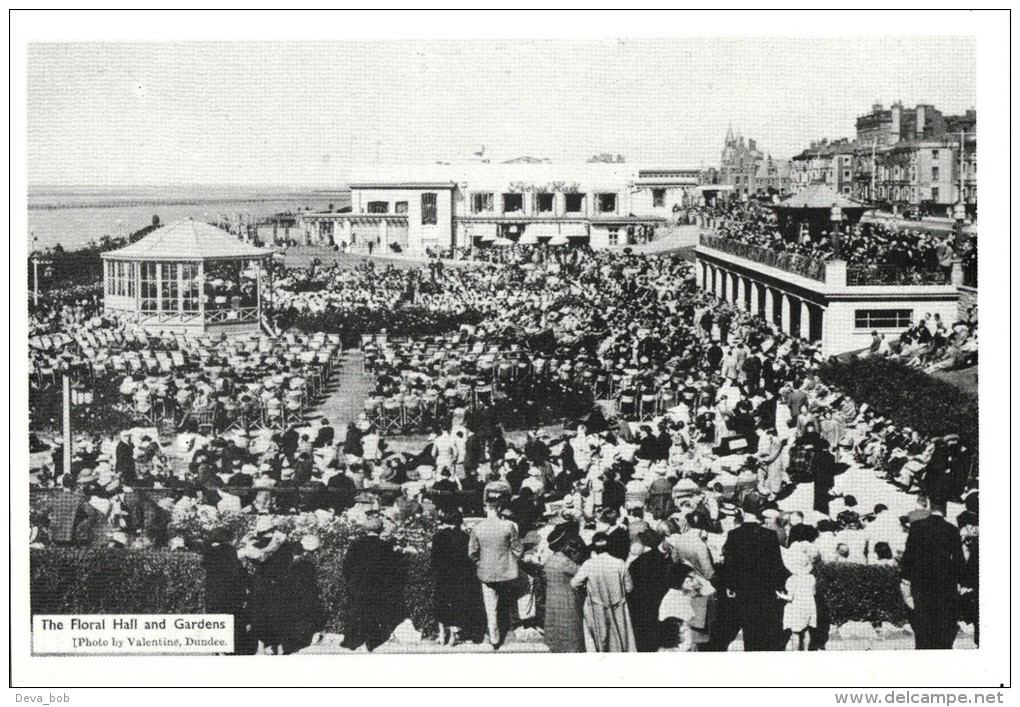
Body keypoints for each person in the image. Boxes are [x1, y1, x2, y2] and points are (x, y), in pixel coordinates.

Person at [715, 499, 790, 651]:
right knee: (763, 630)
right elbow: (776, 564)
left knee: (748, 628)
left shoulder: (734, 534)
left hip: (743, 590)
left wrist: (730, 585)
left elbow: (729, 564)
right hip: (765, 590)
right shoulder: (769, 535)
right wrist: (780, 586)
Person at [900, 502, 965, 650]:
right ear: (945, 510)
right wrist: (960, 582)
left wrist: (905, 578)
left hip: (921, 584)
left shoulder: (916, 527)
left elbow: (908, 556)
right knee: (943, 632)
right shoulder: (952, 530)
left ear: (930, 507)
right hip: (945, 585)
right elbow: (959, 560)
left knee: (923, 631)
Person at [468, 492, 524, 649]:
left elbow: (472, 552)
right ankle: (510, 630)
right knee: (506, 603)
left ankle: (494, 637)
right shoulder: (508, 526)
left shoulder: (478, 528)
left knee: (490, 607)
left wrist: (480, 563)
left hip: (486, 572)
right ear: (499, 508)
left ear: (486, 508)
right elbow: (518, 549)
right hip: (507, 571)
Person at [570, 532, 637, 652]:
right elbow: (629, 588)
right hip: (619, 607)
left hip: (597, 608)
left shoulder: (589, 565)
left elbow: (574, 583)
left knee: (600, 639)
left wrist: (587, 587)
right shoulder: (619, 563)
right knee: (622, 638)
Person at [341, 515, 400, 651]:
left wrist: (351, 581)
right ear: (380, 530)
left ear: (365, 529)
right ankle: (371, 641)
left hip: (358, 585)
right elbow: (391, 570)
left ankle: (352, 640)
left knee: (356, 612)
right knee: (374, 613)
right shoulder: (385, 547)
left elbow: (347, 566)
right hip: (377, 586)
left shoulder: (355, 544)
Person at [431, 509, 484, 646]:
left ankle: (442, 634)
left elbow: (434, 559)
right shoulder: (465, 537)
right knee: (457, 605)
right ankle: (454, 636)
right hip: (460, 577)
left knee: (441, 603)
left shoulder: (438, 536)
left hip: (443, 576)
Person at [541, 523, 587, 653]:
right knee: (571, 627)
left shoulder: (551, 560)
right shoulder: (565, 562)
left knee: (556, 626)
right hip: (567, 597)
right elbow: (582, 573)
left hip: (552, 597)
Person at [626, 528, 670, 652]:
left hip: (641, 602)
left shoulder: (636, 563)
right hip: (657, 599)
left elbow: (631, 586)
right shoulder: (662, 558)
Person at [777, 545, 817, 651]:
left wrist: (780, 595)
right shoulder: (811, 578)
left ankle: (796, 653)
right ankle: (806, 650)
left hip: (797, 608)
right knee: (806, 630)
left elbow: (790, 597)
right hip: (809, 607)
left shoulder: (792, 579)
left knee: (795, 633)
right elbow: (813, 593)